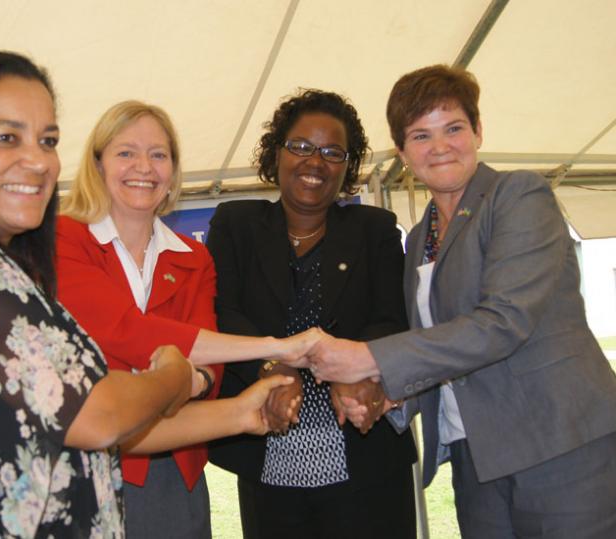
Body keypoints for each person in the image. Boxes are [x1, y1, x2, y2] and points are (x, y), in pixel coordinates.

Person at [0, 50, 295, 539]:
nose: (37, 159)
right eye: (6, 137)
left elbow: (83, 415)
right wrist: (179, 375)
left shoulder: (2, 266)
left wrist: (242, 410)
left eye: (48, 140)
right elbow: (98, 412)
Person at [307, 65, 616, 538]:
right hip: (474, 456)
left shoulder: (518, 195)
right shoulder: (417, 238)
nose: (440, 146)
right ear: (403, 152)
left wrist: (368, 357)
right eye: (421, 135)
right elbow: (437, 347)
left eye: (453, 128)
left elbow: (502, 323)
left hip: (558, 446)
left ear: (477, 131)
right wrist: (389, 394)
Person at [55, 100, 316, 539]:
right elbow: (126, 331)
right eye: (126, 152)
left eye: (159, 154)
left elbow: (204, 369)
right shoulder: (65, 238)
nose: (145, 167)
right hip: (81, 463)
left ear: (174, 170)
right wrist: (273, 347)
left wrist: (183, 380)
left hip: (172, 466)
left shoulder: (194, 258)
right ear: (97, 163)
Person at [205, 89, 417, 539]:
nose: (314, 162)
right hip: (269, 453)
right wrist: (270, 368)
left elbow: (390, 316)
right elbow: (222, 311)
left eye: (331, 152)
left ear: (347, 165)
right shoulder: (236, 225)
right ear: (275, 152)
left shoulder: (374, 230)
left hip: (365, 451)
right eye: (300, 146)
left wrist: (363, 370)